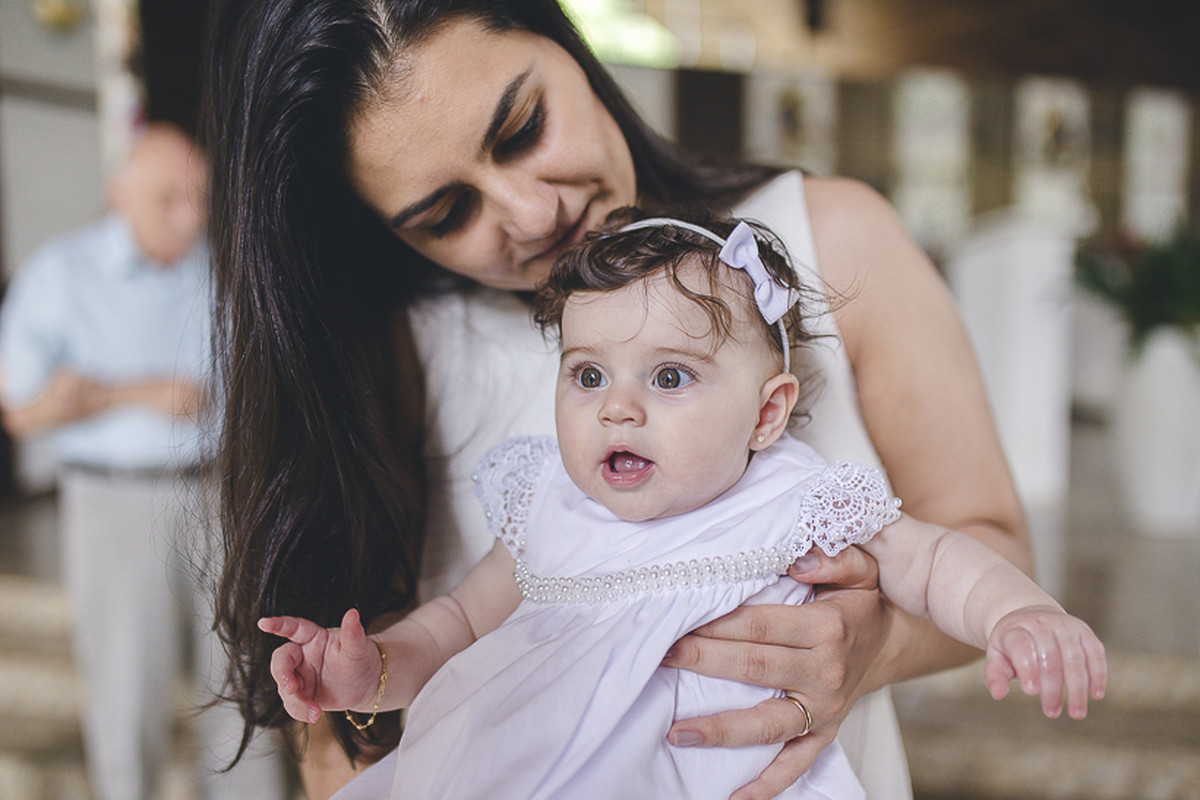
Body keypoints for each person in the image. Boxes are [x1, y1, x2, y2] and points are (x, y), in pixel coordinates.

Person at [204, 2, 1034, 798]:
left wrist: (871, 647)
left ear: (561, 39)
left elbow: (992, 547)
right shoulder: (389, 348)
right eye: (448, 213)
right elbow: (348, 735)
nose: (533, 213)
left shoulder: (831, 240)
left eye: (524, 127)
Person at [258, 211, 1106, 800]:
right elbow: (453, 628)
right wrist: (372, 671)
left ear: (766, 413)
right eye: (589, 375)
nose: (617, 408)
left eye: (670, 377)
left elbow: (930, 558)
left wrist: (1017, 613)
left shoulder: (791, 496)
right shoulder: (548, 501)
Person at [0, 123, 285, 800]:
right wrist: (134, 392)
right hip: (115, 501)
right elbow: (22, 409)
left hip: (221, 492)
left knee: (241, 680)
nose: (188, 216)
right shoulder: (60, 273)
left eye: (198, 198)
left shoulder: (216, 269)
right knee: (128, 687)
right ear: (120, 195)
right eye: (168, 199)